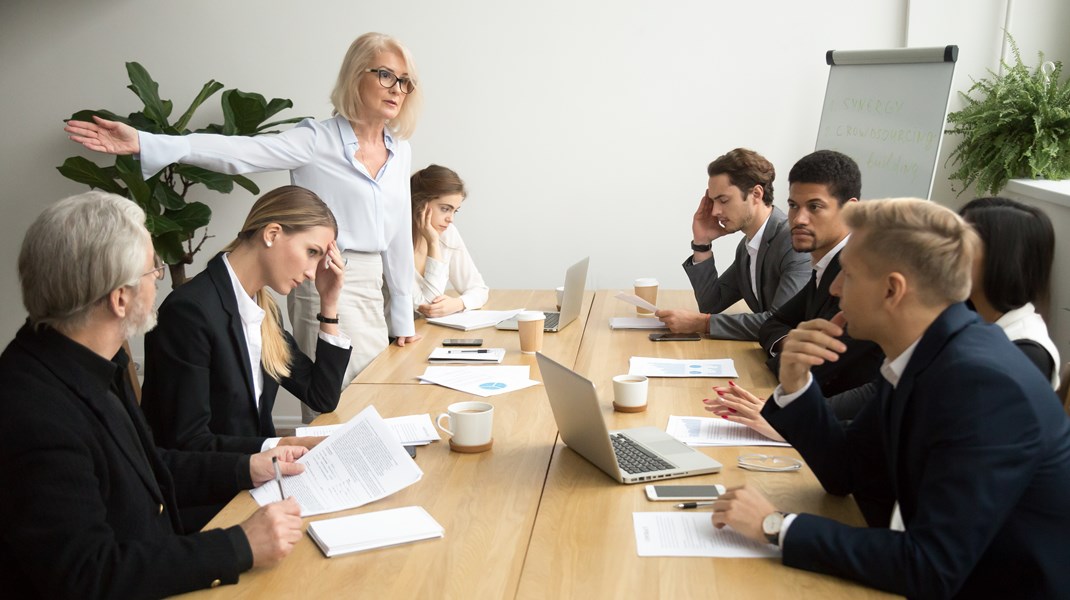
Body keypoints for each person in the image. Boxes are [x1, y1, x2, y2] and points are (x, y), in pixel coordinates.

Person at [711, 198, 1070, 598]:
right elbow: (845, 471)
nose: (834, 288)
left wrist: (776, 525)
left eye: (847, 273)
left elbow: (931, 567)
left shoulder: (983, 384)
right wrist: (796, 385)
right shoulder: (928, 352)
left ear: (892, 289)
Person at [64, 32, 423, 416]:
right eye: (386, 75)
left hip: (374, 288)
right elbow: (240, 153)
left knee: (383, 397)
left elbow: (399, 232)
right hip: (321, 279)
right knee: (338, 407)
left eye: (405, 82)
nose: (397, 89)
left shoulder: (400, 151)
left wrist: (402, 314)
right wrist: (148, 143)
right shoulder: (316, 140)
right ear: (356, 76)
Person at [0, 191, 310, 598]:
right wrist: (239, 545)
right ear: (120, 298)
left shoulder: (84, 362)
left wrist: (249, 466)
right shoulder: (36, 413)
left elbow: (149, 470)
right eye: (153, 270)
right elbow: (88, 576)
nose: (160, 279)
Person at [141, 185, 352, 455]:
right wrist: (280, 446)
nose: (312, 273)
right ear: (272, 234)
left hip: (254, 480)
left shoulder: (263, 310)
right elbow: (187, 441)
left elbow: (321, 396)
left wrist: (329, 303)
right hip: (213, 491)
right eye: (312, 252)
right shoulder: (189, 312)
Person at [757, 150, 882, 398]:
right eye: (793, 206)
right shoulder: (824, 267)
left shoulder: (860, 275)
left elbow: (813, 368)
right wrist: (793, 345)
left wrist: (793, 355)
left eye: (815, 207)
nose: (798, 219)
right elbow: (771, 324)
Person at [654, 148, 810, 340]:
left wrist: (702, 323)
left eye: (724, 200)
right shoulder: (748, 247)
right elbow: (712, 304)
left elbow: (780, 322)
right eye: (713, 202)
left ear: (756, 194)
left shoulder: (792, 243)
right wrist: (702, 243)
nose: (715, 212)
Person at [960, 197, 1060, 389]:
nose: (947, 251)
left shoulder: (1027, 353)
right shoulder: (967, 316)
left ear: (1004, 259)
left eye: (963, 242)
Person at [409, 164, 489, 317]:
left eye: (455, 211)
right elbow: (428, 305)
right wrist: (433, 243)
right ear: (419, 203)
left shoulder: (447, 233)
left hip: (429, 332)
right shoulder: (396, 242)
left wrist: (458, 303)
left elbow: (479, 289)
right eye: (445, 209)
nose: (450, 219)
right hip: (397, 338)